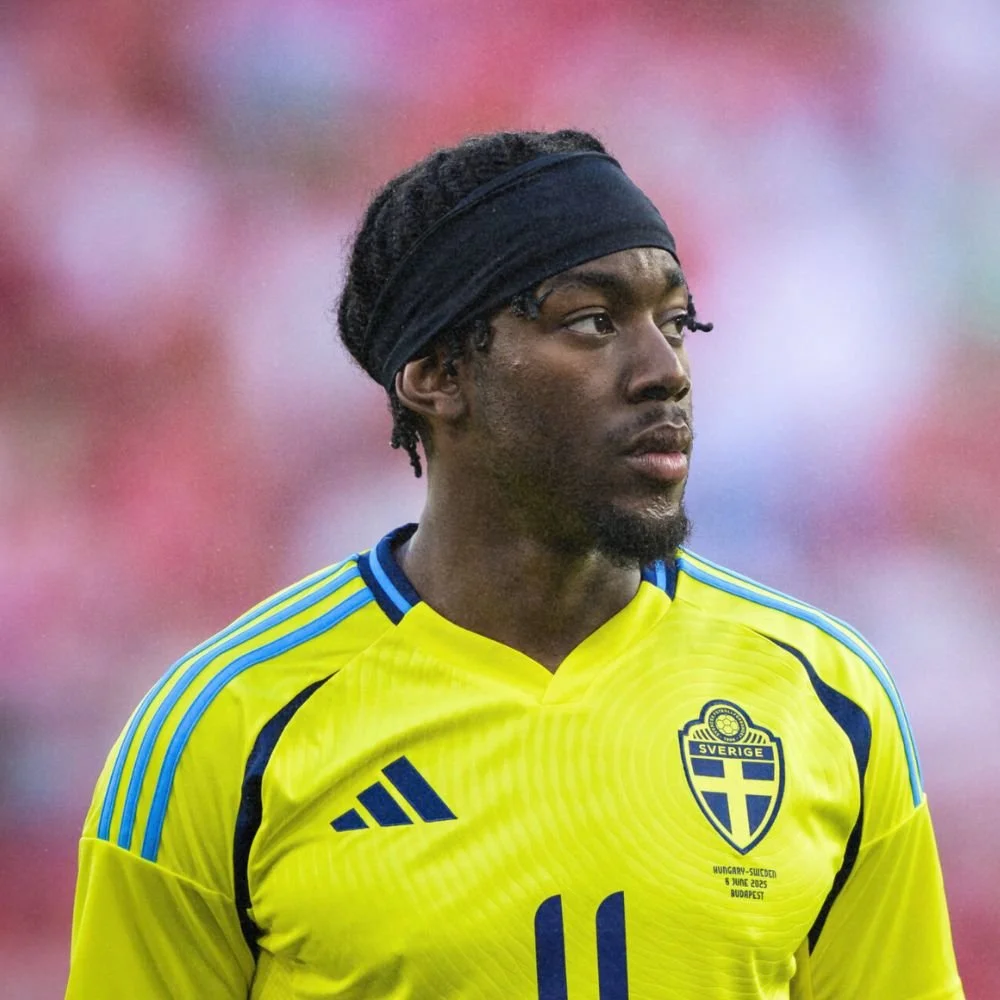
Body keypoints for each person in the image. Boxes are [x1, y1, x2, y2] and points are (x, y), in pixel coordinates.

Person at [66, 129, 963, 999]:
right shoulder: (225, 728)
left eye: (677, 322)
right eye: (592, 321)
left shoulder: (826, 696)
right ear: (437, 374)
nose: (665, 370)